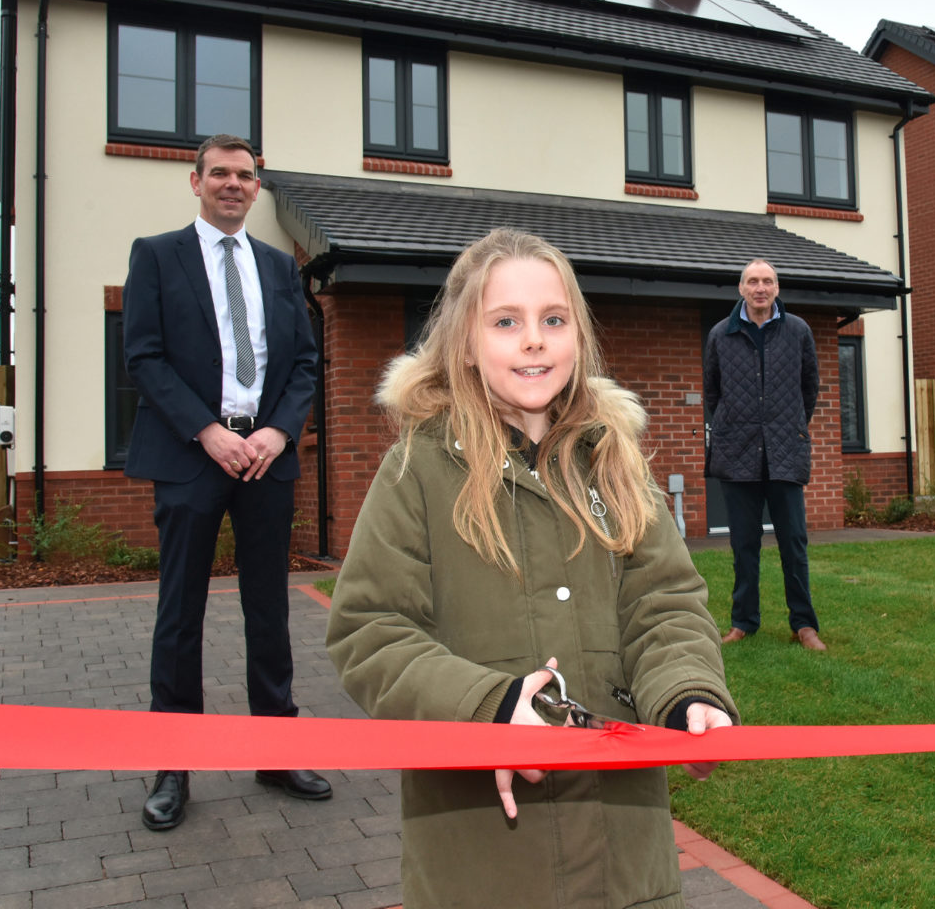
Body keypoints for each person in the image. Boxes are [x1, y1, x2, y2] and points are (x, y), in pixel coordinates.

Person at [326, 229, 737, 909]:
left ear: (579, 334)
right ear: (464, 341)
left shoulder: (616, 463)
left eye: (554, 320)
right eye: (506, 322)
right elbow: (369, 631)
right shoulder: (418, 469)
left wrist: (687, 695)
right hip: (483, 864)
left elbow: (664, 604)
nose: (534, 340)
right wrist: (486, 708)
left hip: (624, 860)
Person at [123, 133, 329, 830]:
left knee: (268, 608)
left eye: (245, 175)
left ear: (257, 187)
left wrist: (276, 431)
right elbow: (143, 357)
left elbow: (304, 362)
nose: (233, 184)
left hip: (266, 457)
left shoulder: (278, 266)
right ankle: (172, 767)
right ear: (196, 181)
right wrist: (207, 431)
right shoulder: (157, 256)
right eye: (220, 173)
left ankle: (276, 751)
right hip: (191, 454)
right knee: (179, 615)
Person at [702, 258, 825, 650]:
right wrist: (735, 424)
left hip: (785, 451)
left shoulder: (798, 331)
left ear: (776, 288)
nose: (760, 288)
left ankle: (804, 625)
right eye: (753, 281)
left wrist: (787, 425)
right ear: (741, 289)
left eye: (767, 281)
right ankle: (743, 623)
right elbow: (712, 392)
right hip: (737, 453)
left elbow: (809, 387)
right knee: (744, 544)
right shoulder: (721, 335)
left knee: (794, 543)